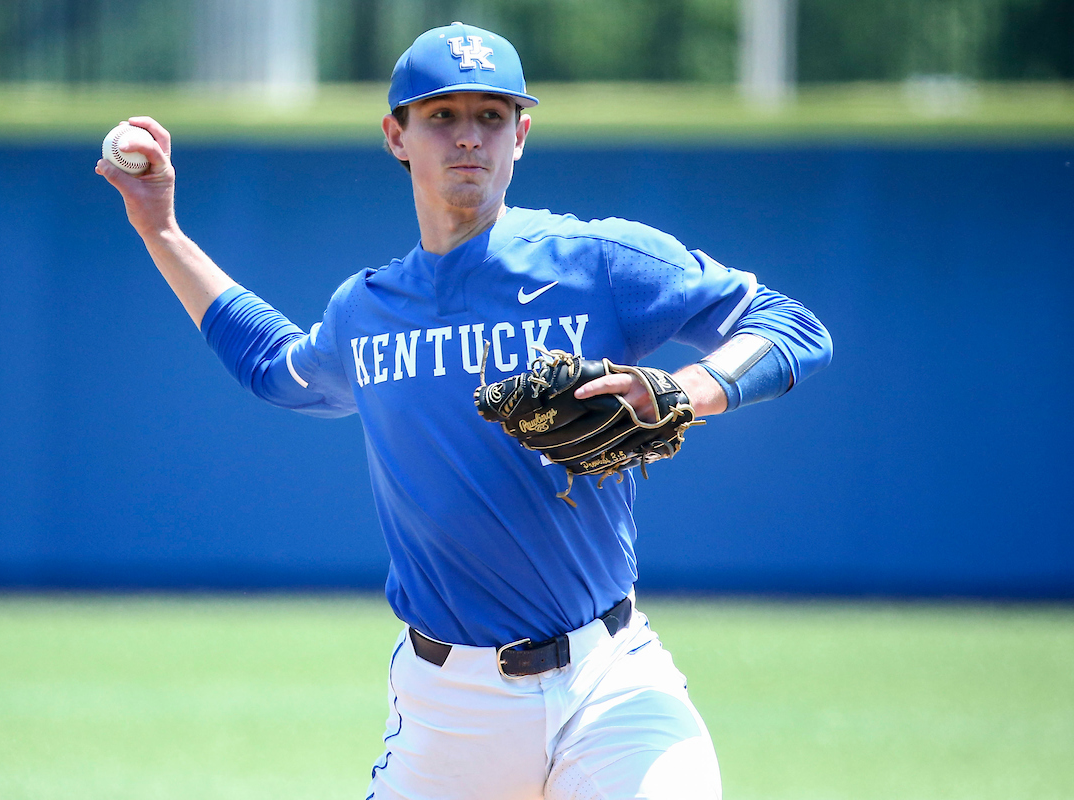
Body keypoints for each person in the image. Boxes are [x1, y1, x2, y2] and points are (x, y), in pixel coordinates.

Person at [97, 22, 831, 800]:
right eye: (442, 116)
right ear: (397, 136)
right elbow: (274, 368)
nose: (469, 136)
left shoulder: (599, 262)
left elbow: (792, 325)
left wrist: (686, 389)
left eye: (491, 115)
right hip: (447, 712)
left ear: (522, 135)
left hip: (609, 683)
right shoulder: (366, 312)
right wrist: (160, 228)